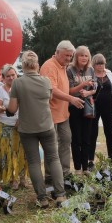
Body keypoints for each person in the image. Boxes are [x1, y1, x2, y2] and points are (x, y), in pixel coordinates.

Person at [7, 50, 66, 208]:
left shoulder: (17, 83)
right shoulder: (46, 81)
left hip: (27, 128)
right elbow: (50, 99)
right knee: (54, 159)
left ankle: (42, 198)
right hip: (46, 125)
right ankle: (60, 196)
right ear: (37, 65)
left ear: (23, 65)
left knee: (34, 162)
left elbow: (12, 109)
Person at [40, 40, 84, 183]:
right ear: (57, 52)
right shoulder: (49, 66)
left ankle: (65, 173)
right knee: (51, 147)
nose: (69, 59)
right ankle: (49, 177)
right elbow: (51, 89)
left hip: (63, 114)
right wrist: (71, 99)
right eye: (66, 56)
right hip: (50, 115)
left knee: (66, 141)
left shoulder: (63, 66)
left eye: (71, 56)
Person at [0, 64, 28, 190]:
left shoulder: (22, 87)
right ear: (3, 77)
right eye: (8, 76)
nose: (11, 77)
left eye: (13, 75)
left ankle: (23, 177)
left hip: (21, 125)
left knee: (22, 151)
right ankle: (13, 179)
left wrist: (22, 119)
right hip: (5, 126)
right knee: (9, 153)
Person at [67, 46, 96, 175]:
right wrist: (82, 85)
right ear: (76, 57)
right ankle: (77, 169)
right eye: (81, 55)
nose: (84, 58)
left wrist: (88, 91)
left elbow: (95, 88)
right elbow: (69, 91)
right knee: (76, 139)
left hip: (88, 106)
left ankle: (85, 168)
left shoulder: (91, 69)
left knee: (86, 138)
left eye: (86, 55)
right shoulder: (70, 70)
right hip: (74, 107)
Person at [88, 54, 112, 167]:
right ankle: (90, 159)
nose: (101, 66)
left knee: (109, 132)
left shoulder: (109, 74)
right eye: (98, 63)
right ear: (94, 64)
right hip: (94, 107)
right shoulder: (90, 74)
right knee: (93, 133)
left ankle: (111, 156)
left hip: (108, 107)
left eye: (103, 63)